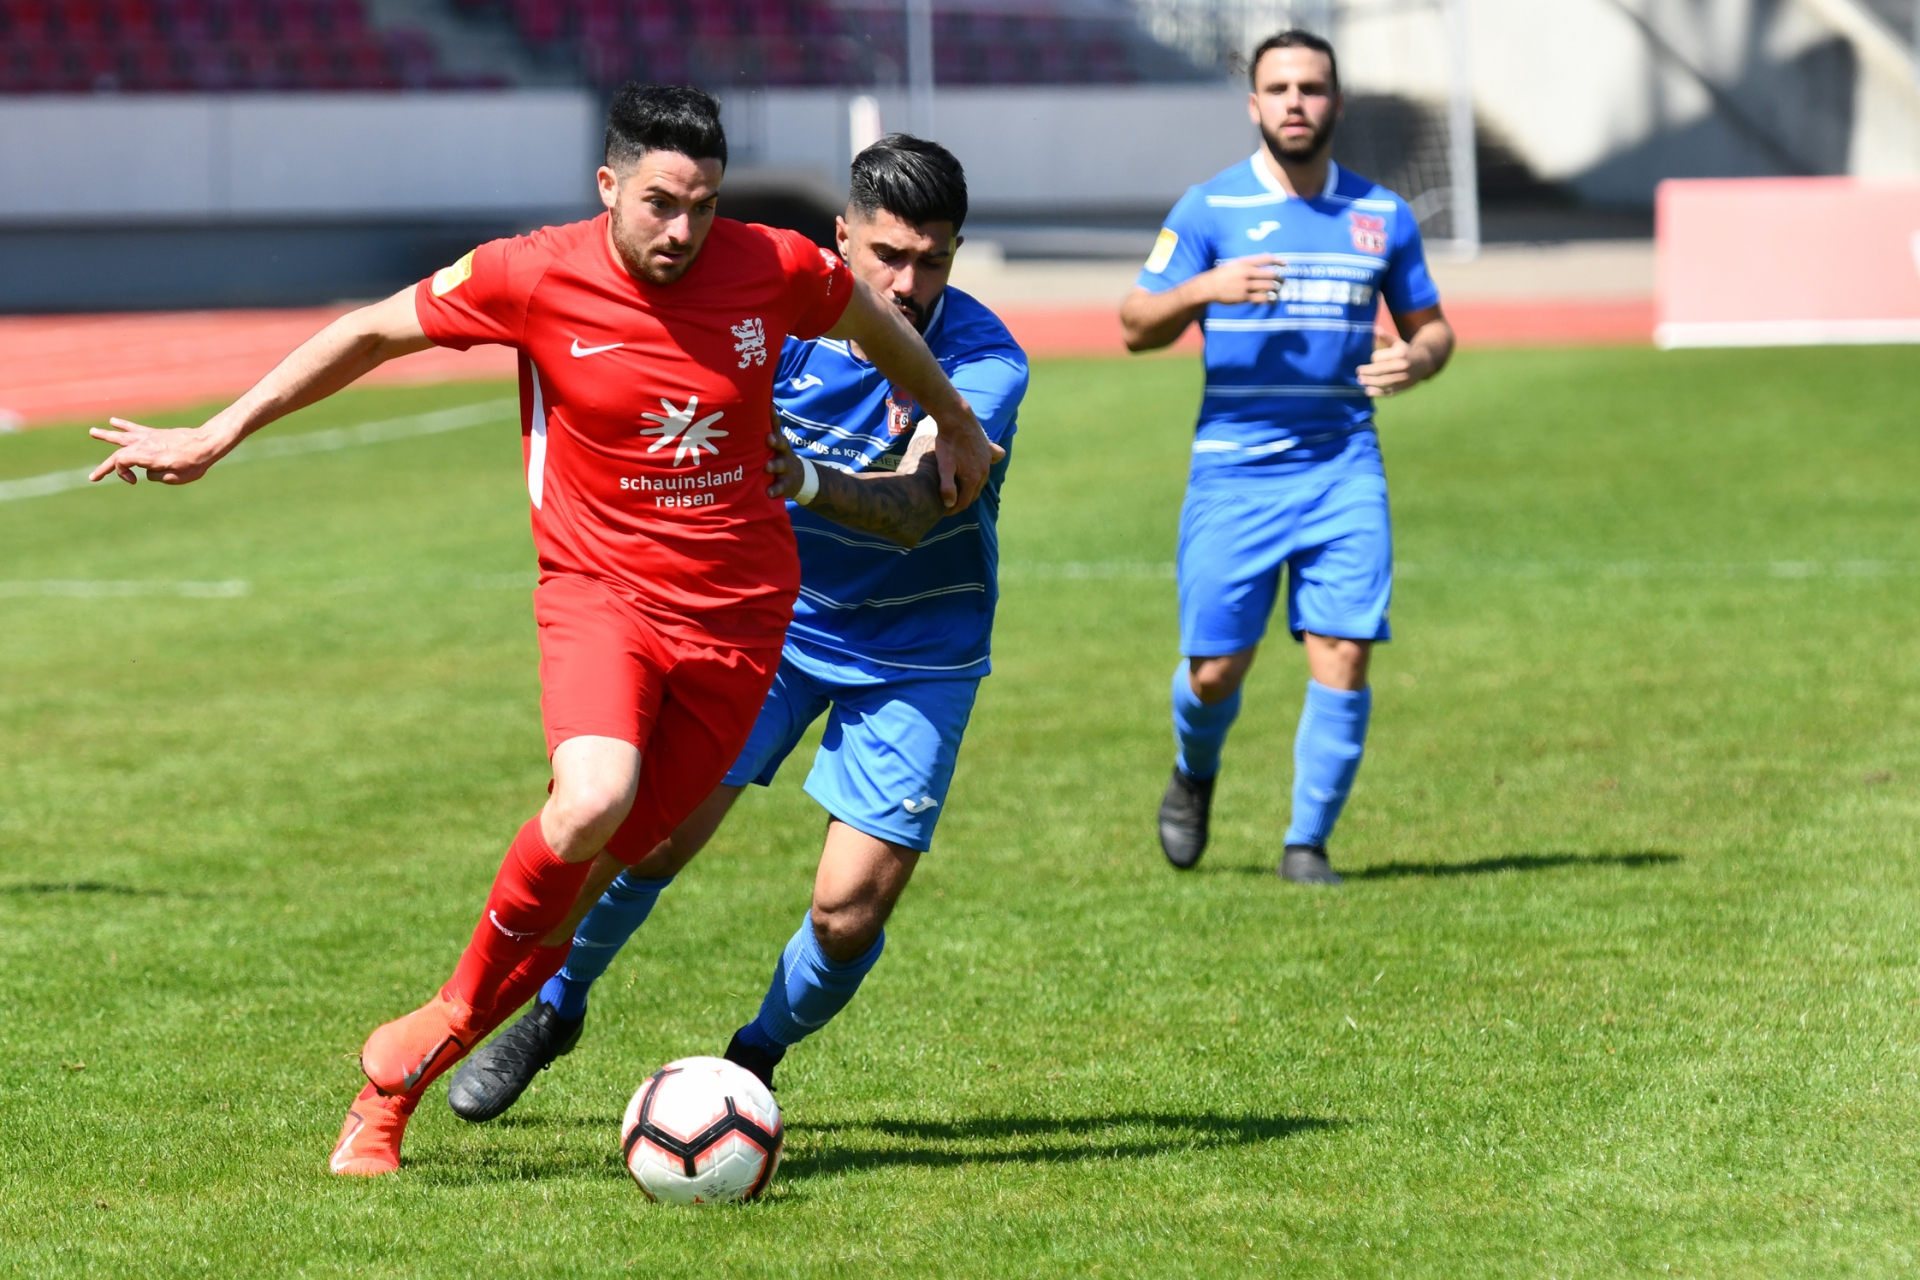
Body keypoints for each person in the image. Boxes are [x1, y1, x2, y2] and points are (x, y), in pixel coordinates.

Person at [86, 87, 998, 1176]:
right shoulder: (531, 272)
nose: (683, 230)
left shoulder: (771, 266)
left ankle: (425, 1049)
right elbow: (373, 329)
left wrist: (951, 419)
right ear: (608, 186)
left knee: (608, 861)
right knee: (592, 797)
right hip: (599, 595)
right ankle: (395, 1085)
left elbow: (868, 318)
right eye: (661, 202)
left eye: (703, 206)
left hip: (741, 624)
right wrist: (218, 432)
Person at [439, 134, 1028, 1117]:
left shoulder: (981, 359)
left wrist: (798, 475)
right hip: (771, 623)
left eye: (935, 259)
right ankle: (554, 1006)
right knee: (649, 840)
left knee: (848, 913)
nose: (911, 281)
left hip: (917, 648)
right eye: (887, 256)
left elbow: (919, 505)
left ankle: (751, 1063)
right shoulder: (773, 326)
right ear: (842, 240)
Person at [1118, 30, 1454, 884]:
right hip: (1234, 473)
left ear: (1336, 103)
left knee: (1342, 652)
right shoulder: (1208, 210)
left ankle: (1307, 844)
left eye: (1312, 87)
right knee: (1217, 670)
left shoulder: (1382, 215)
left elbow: (1433, 327)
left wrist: (1416, 360)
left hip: (1345, 465)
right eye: (1280, 88)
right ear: (1255, 104)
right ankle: (1195, 772)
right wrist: (1204, 288)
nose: (1296, 101)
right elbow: (1132, 325)